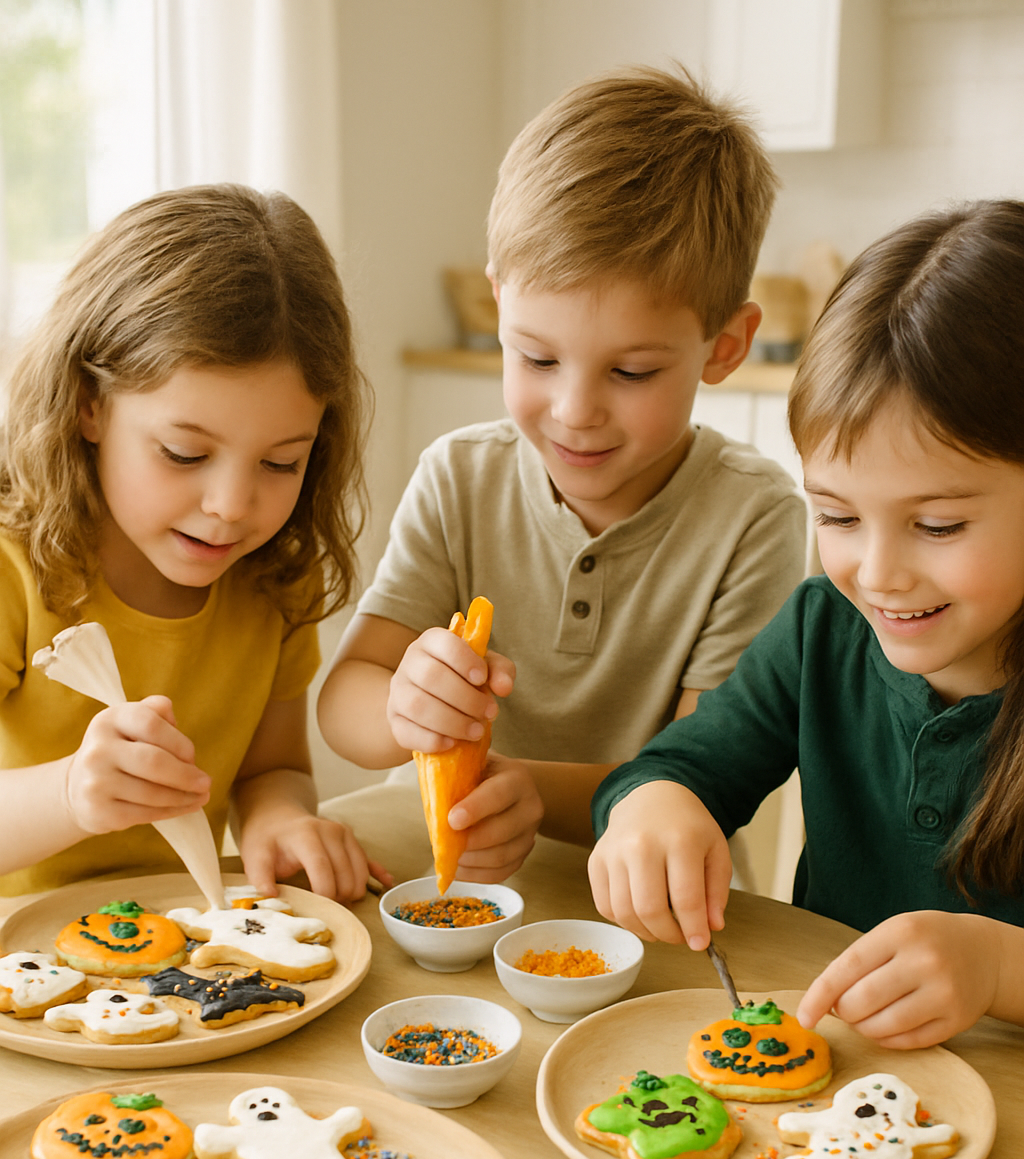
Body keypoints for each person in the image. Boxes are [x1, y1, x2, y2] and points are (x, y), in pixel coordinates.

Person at [317, 66, 806, 881]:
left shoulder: (753, 518)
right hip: (458, 887)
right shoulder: (458, 479)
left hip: (657, 904)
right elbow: (345, 701)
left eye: (633, 373)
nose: (574, 410)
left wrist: (529, 791)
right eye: (537, 356)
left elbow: (705, 773)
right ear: (499, 303)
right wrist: (402, 709)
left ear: (725, 345)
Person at [589, 199, 1024, 1050]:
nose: (876, 571)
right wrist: (656, 806)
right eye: (836, 515)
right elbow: (676, 767)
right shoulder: (822, 629)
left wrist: (1001, 969)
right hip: (837, 1095)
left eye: (937, 526)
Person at [0, 184, 389, 901]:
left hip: (185, 957)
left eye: (282, 463)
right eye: (183, 453)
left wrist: (281, 817)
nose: (230, 509)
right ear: (89, 405)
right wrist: (70, 795)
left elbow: (271, 767)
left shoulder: (274, 573)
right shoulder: (13, 567)